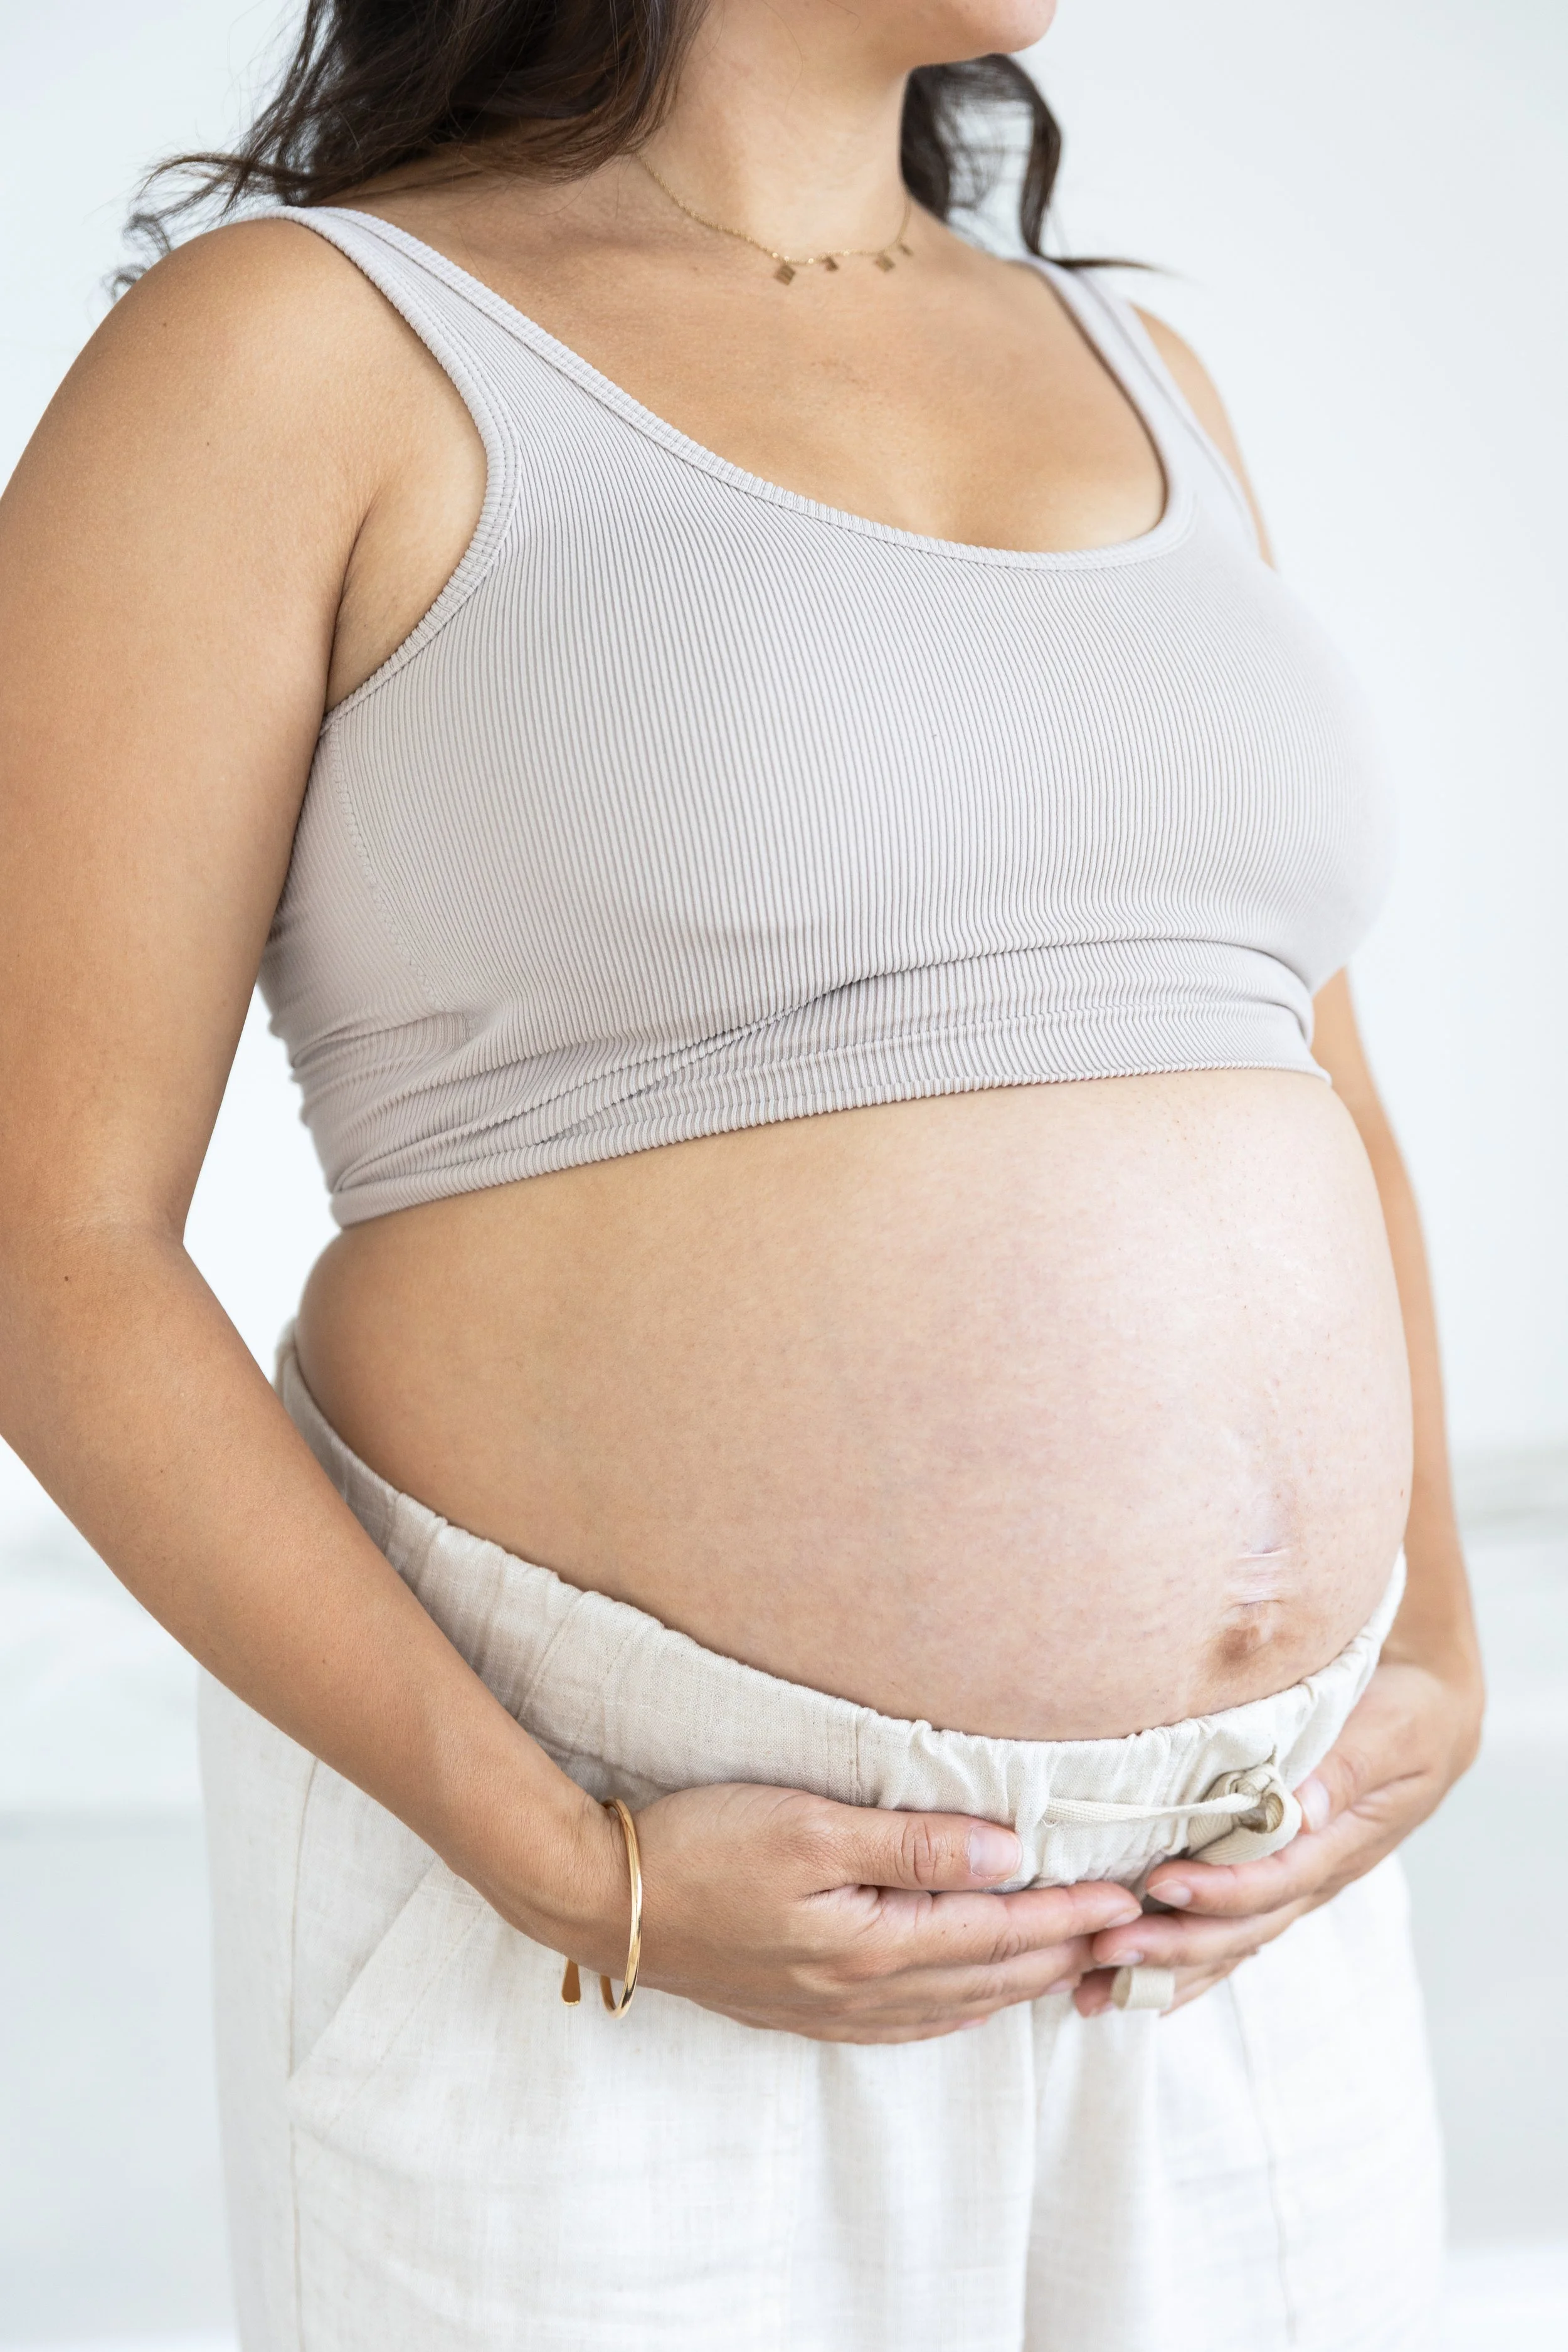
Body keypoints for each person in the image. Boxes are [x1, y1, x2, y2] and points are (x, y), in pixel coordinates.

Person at [0, 1, 1482, 2344]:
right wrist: (565, 1868)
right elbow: (47, 1240)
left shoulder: (1138, 367)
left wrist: (1435, 1649)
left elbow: (1322, 1080)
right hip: (627, 1904)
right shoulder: (298, 355)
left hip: (1229, 1915)